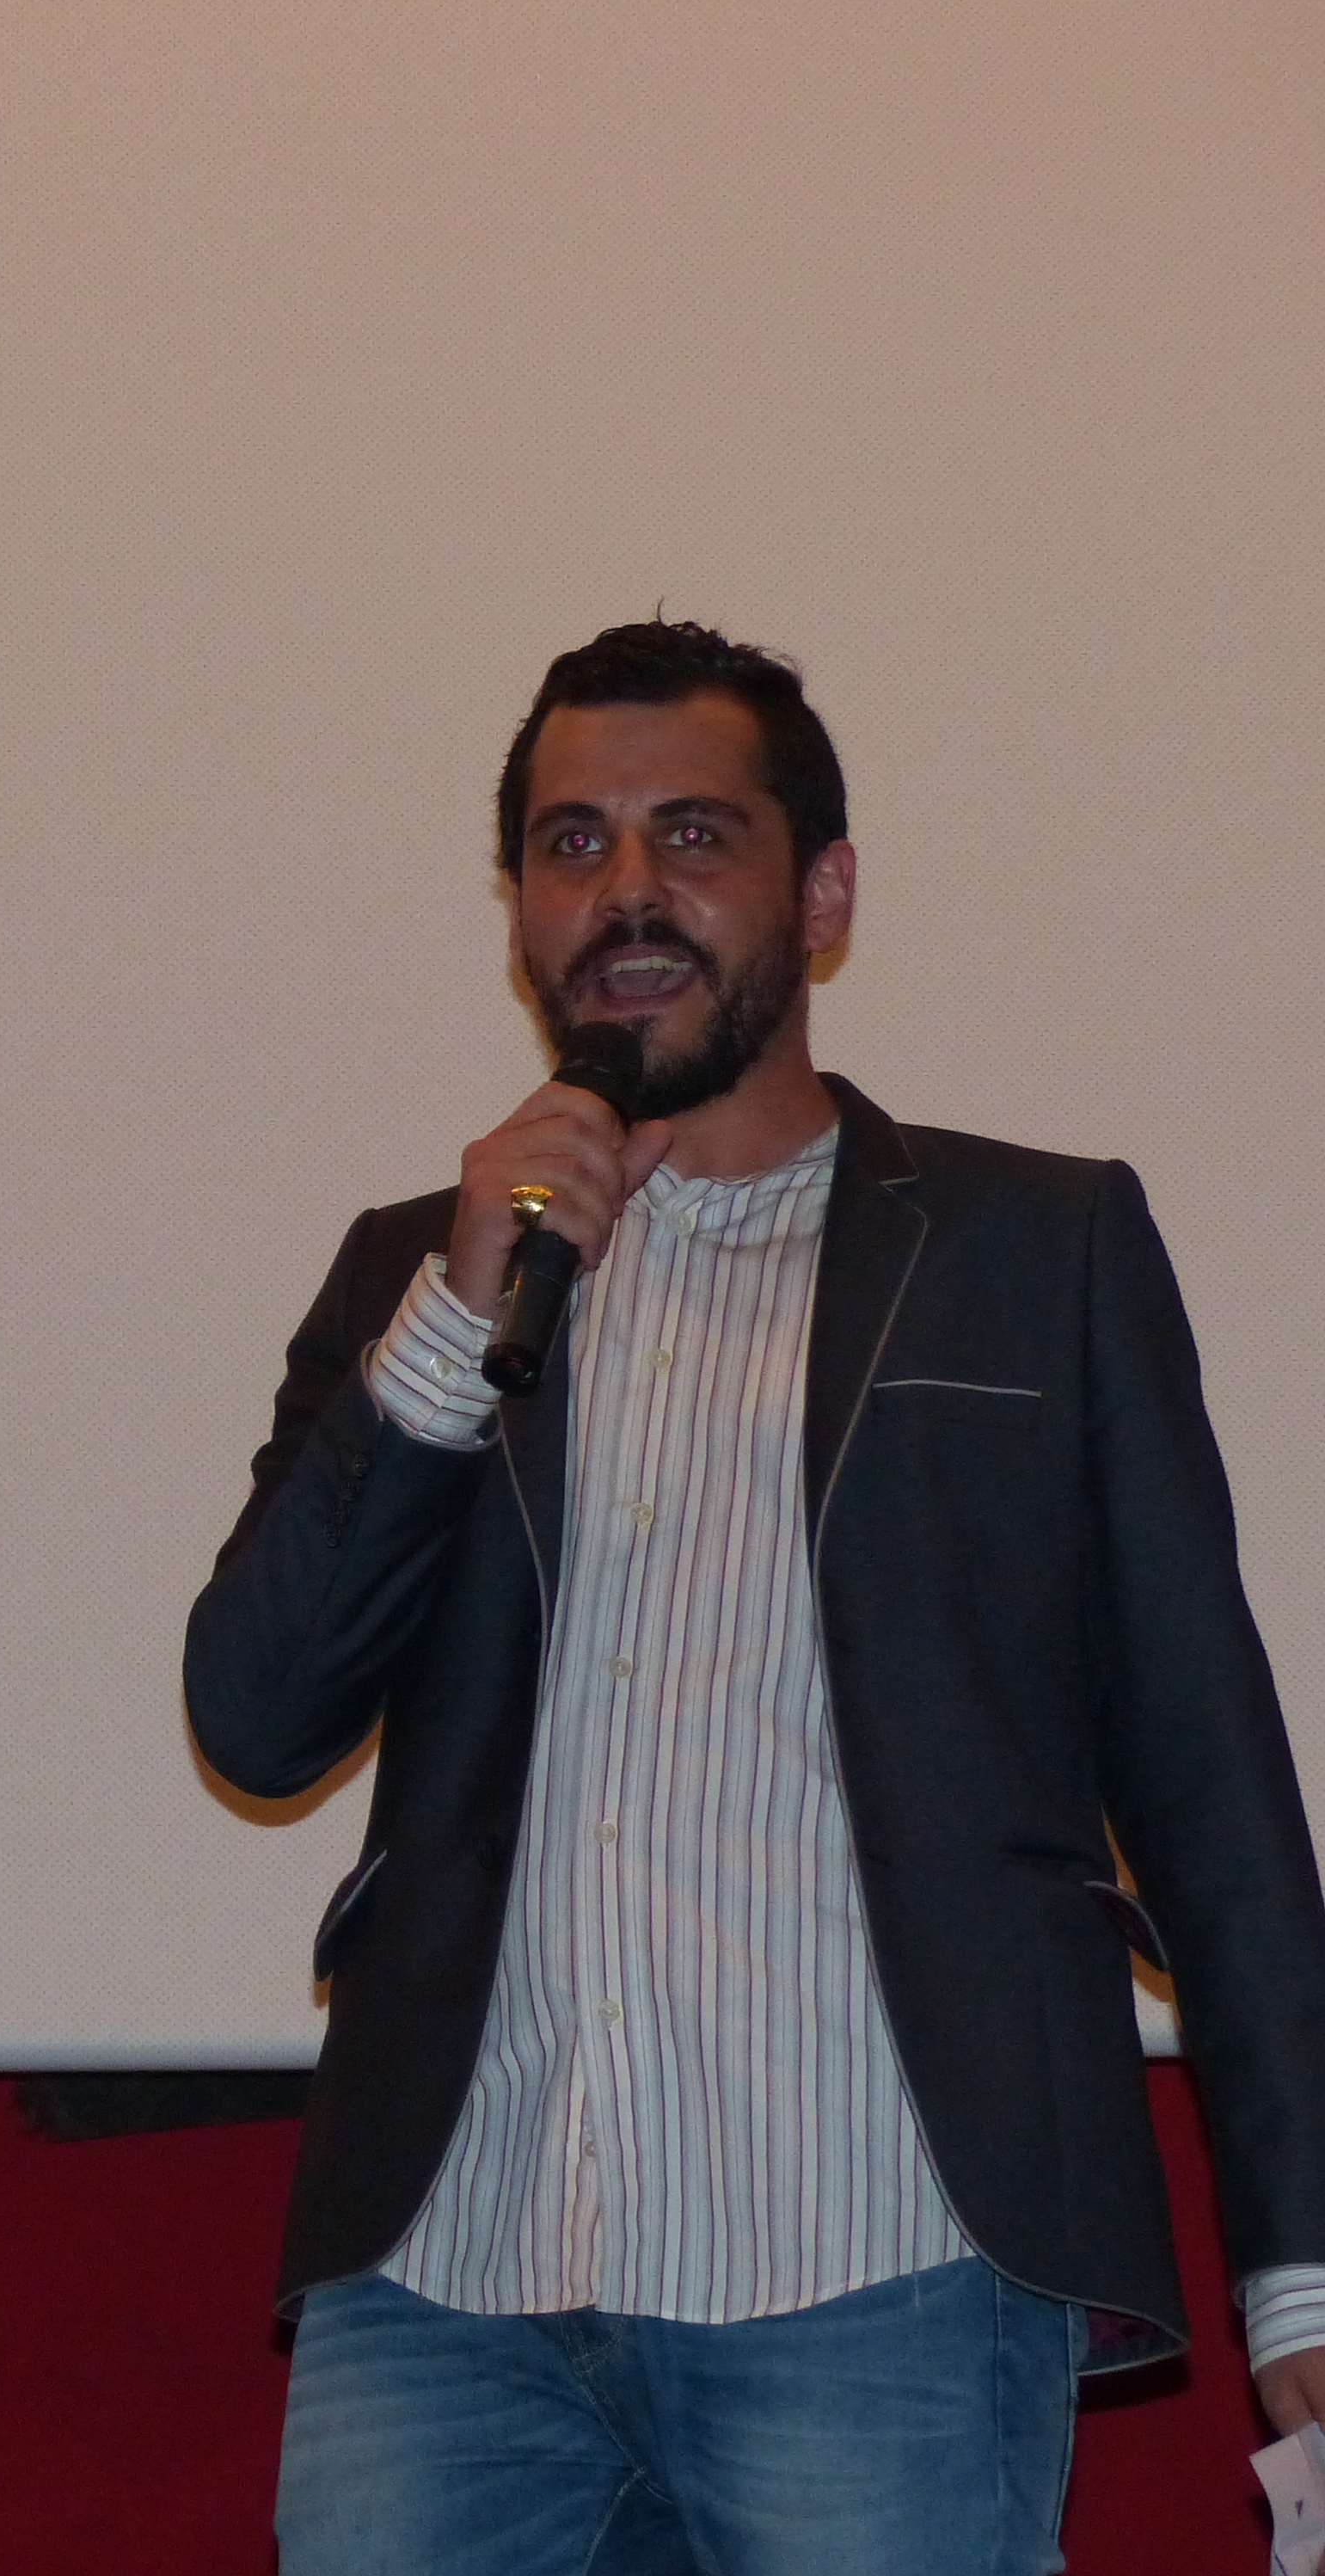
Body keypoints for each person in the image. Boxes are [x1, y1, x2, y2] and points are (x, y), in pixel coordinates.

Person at [184, 623, 1325, 2573]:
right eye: (571, 845)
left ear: (823, 893)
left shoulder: (1029, 1248)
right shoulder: (416, 1272)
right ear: (519, 916)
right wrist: (455, 1318)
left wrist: (1298, 2269)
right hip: (447, 2280)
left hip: (875, 2264)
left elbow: (1208, 1776)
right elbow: (258, 1712)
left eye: (691, 835)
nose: (625, 890)